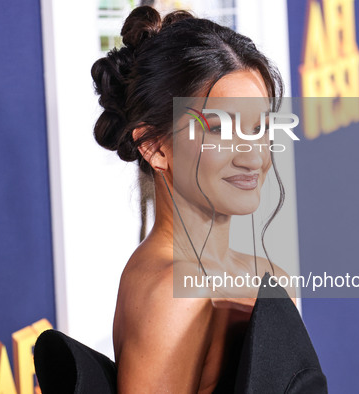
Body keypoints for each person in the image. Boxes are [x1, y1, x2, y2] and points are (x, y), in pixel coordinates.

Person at [90, 6, 322, 393]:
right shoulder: (174, 292)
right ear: (154, 147)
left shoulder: (267, 276)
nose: (253, 156)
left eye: (259, 127)